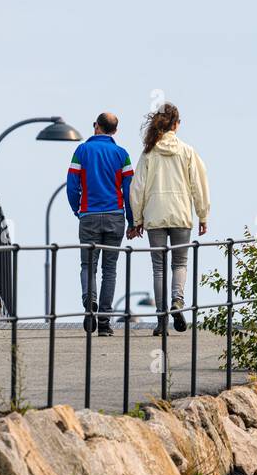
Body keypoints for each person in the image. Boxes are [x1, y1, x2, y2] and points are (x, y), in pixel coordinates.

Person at [128, 102, 210, 335]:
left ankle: (161, 320)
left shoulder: (148, 153)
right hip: (181, 213)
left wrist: (137, 219)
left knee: (158, 268)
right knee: (180, 263)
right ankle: (177, 301)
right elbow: (199, 184)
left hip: (155, 215)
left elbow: (138, 188)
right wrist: (203, 214)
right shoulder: (188, 151)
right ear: (176, 124)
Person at [66, 112, 134, 335]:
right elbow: (129, 191)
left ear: (96, 126)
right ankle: (104, 322)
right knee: (110, 270)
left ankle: (89, 303)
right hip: (115, 216)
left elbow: (71, 186)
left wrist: (78, 209)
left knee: (88, 266)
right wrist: (132, 220)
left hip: (89, 216)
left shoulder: (82, 151)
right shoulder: (122, 155)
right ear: (115, 131)